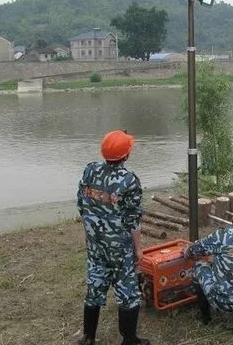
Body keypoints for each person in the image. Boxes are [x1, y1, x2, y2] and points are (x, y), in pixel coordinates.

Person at [77, 130, 150, 345]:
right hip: (119, 247)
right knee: (127, 290)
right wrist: (138, 249)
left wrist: (88, 235)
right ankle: (129, 339)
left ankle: (88, 337)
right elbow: (133, 220)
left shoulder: (90, 171)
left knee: (95, 284)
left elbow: (83, 206)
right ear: (126, 155)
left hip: (96, 243)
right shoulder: (129, 180)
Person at [183, 200, 233, 333]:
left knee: (199, 266)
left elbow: (194, 251)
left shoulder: (222, 235)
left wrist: (186, 251)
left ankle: (206, 317)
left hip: (221, 302)